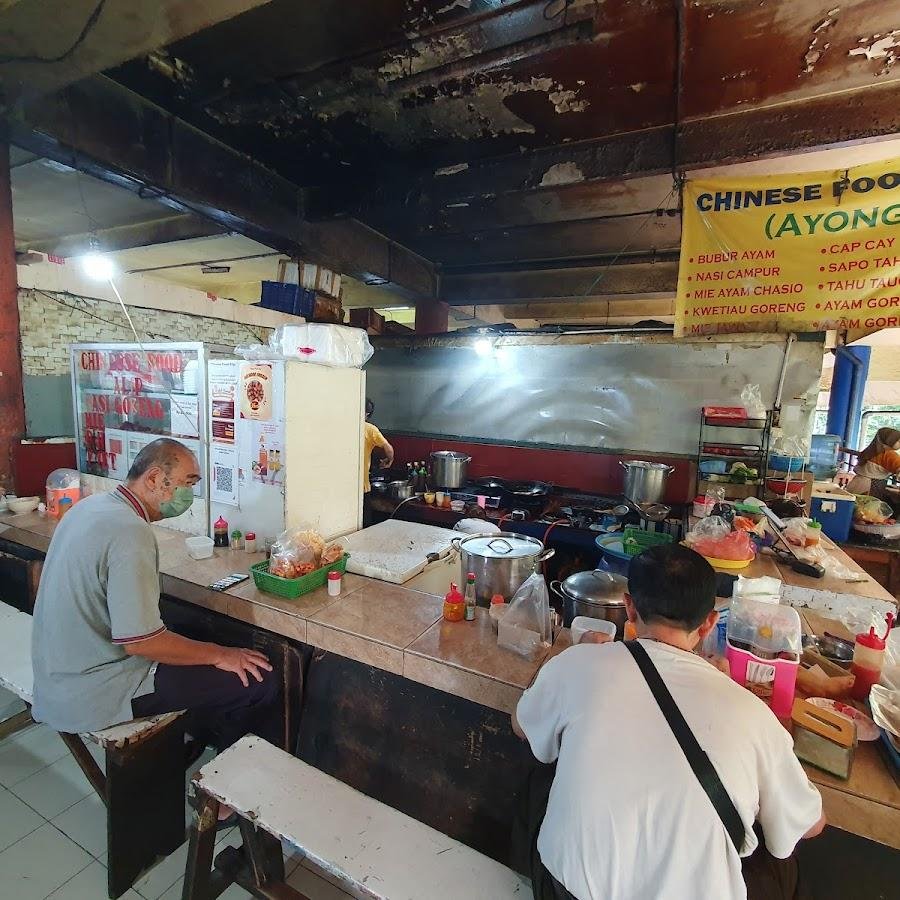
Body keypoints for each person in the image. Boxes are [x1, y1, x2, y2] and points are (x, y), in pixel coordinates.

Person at [512, 544, 824, 900]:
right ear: (709, 623)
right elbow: (811, 825)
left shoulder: (577, 663)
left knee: (543, 771)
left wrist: (573, 656)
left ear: (629, 608)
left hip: (566, 891)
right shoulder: (752, 712)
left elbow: (521, 725)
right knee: (780, 854)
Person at [32, 438, 280, 763]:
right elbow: (141, 642)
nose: (187, 496)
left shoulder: (91, 507)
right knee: (258, 680)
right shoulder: (129, 532)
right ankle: (222, 794)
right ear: (152, 479)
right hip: (93, 690)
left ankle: (192, 741)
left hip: (55, 676)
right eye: (186, 484)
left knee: (198, 645)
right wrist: (222, 655)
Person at [362, 398, 394, 525]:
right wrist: (389, 460)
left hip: (342, 486)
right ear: (367, 414)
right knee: (364, 524)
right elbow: (388, 448)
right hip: (361, 486)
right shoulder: (370, 429)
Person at [844, 427, 900, 499]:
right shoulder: (889, 454)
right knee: (866, 508)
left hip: (857, 482)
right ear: (889, 440)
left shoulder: (870, 451)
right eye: (898, 441)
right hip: (871, 487)